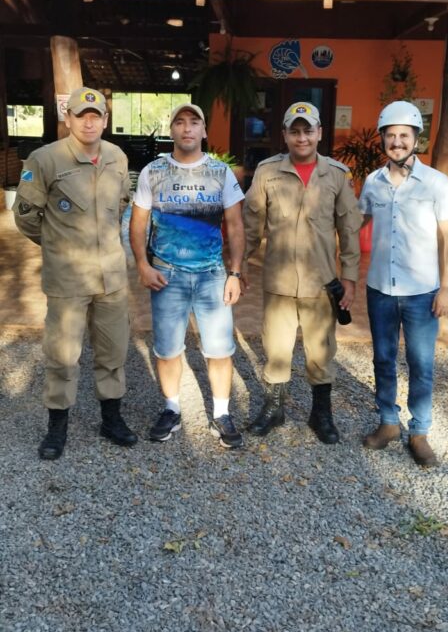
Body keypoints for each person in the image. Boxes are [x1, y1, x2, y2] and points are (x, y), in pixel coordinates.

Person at [13, 86, 137, 460]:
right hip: (67, 278)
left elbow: (121, 204)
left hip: (112, 277)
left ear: (105, 120)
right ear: (67, 119)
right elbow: (25, 216)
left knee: (113, 350)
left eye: (95, 115)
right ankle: (57, 425)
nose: (88, 121)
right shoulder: (45, 159)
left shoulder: (116, 157)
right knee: (63, 354)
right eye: (80, 115)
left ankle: (111, 418)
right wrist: (56, 245)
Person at [243, 101, 362, 442]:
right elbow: (252, 223)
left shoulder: (336, 175)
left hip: (321, 282)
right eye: (294, 131)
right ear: (284, 135)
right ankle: (274, 408)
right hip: (279, 280)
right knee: (276, 347)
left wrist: (350, 279)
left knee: (321, 349)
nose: (301, 137)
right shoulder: (267, 172)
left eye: (308, 130)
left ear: (319, 133)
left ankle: (320, 414)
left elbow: (349, 229)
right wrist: (237, 268)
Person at [129, 103, 245, 449]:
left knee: (220, 350)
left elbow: (237, 225)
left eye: (194, 122)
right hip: (167, 276)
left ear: (204, 131)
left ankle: (222, 413)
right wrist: (142, 265)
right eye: (179, 122)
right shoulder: (153, 172)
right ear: (172, 131)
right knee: (167, 350)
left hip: (212, 275)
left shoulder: (221, 174)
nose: (187, 128)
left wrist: (235, 272)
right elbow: (138, 223)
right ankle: (171, 409)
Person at [360, 100, 448, 467]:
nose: (397, 141)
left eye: (404, 135)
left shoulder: (435, 182)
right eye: (391, 135)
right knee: (383, 359)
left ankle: (419, 432)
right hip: (380, 291)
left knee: (421, 364)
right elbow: (356, 223)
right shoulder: (373, 182)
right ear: (383, 139)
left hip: (422, 293)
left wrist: (447, 287)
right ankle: (388, 422)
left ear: (416, 138)